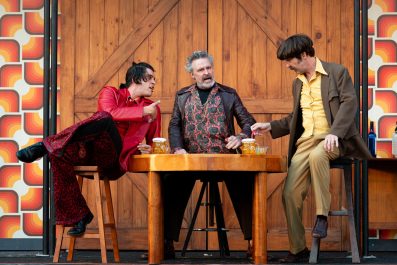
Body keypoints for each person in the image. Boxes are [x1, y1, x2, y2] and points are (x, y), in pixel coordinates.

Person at [251, 34, 371, 263]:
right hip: (306, 142)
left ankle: (321, 216)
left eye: (290, 61)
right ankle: (298, 249)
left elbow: (349, 103)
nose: (287, 66)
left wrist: (335, 132)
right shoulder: (298, 84)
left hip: (334, 140)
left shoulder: (337, 73)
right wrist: (269, 126)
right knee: (289, 195)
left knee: (319, 155)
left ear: (304, 55)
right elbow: (295, 118)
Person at [16, 62, 161, 236]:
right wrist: (142, 111)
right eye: (150, 78)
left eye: (154, 79)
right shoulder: (111, 93)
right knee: (59, 154)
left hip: (115, 160)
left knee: (97, 122)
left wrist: (147, 150)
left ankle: (45, 145)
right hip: (91, 152)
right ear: (136, 78)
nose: (154, 82)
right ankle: (80, 215)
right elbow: (109, 112)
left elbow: (155, 143)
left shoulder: (153, 109)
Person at [165, 50, 256, 258]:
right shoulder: (182, 96)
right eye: (201, 69)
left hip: (226, 160)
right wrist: (178, 148)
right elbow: (174, 125)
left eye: (208, 68)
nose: (206, 72)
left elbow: (248, 122)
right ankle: (165, 241)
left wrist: (240, 136)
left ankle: (253, 241)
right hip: (191, 161)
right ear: (192, 74)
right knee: (169, 182)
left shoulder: (228, 94)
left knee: (246, 182)